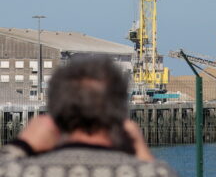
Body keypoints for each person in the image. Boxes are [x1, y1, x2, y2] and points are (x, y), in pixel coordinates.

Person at [0, 56, 178, 177]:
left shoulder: (24, 171)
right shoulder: (150, 172)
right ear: (120, 113)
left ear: (54, 114)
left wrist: (22, 144)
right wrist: (140, 147)